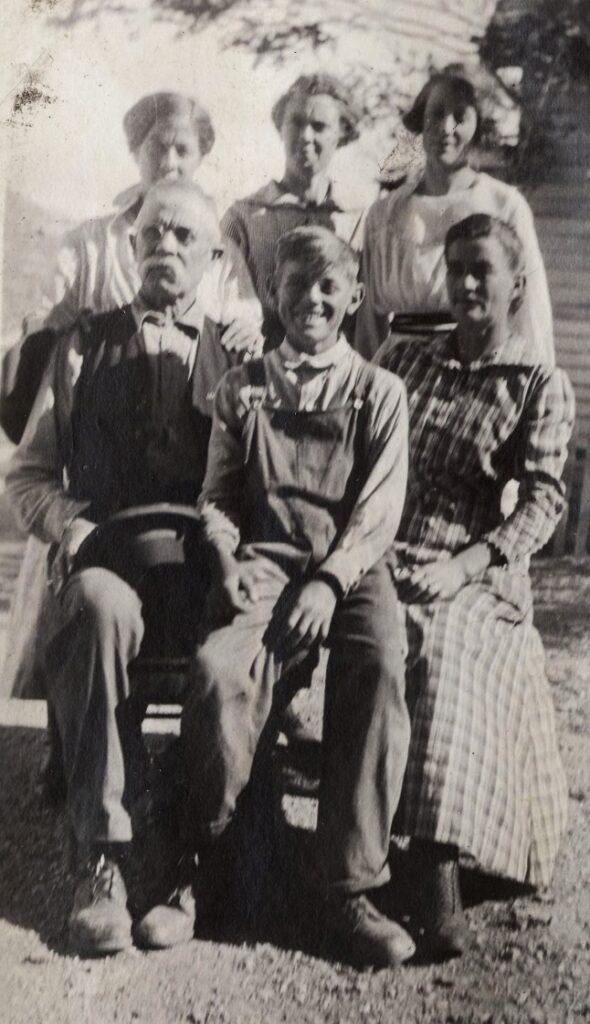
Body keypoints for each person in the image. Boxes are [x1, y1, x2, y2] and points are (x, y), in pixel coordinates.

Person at [5, 180, 251, 956]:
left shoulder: (237, 360)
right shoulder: (81, 347)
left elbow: (264, 485)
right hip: (108, 563)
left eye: (184, 236)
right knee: (101, 608)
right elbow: (28, 474)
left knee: (226, 663)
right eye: (151, 234)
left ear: (213, 256)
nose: (165, 248)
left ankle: (193, 863)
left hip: (203, 575)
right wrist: (71, 529)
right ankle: (101, 858)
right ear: (130, 245)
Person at [180, 225, 414, 969]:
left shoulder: (379, 390)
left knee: (377, 663)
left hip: (352, 569)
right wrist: (223, 559)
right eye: (293, 285)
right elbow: (216, 495)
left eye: (326, 286)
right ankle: (203, 858)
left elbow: (379, 511)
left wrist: (330, 579)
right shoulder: (241, 389)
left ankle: (347, 883)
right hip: (267, 563)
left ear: (352, 298)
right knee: (221, 672)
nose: (309, 300)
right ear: (272, 295)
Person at [2, 90, 263, 706]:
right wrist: (92, 346)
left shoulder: (215, 233)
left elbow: (239, 317)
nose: (170, 161)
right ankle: (72, 725)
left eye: (184, 150)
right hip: (108, 412)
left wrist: (243, 335)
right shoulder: (96, 237)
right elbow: (47, 316)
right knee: (84, 585)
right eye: (157, 147)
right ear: (135, 150)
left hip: (195, 419)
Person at [375, 213, 574, 958]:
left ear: (516, 285)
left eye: (481, 269)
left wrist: (465, 566)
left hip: (479, 565)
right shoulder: (404, 362)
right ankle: (345, 851)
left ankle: (433, 870)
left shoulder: (536, 385)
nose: (464, 283)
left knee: (445, 642)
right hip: (388, 549)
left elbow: (544, 501)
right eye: (455, 267)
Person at [356, 66, 554, 365]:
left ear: (480, 126)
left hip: (473, 368)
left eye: (460, 117)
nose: (445, 128)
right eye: (435, 114)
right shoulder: (384, 214)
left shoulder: (504, 205)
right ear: (421, 120)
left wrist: (536, 381)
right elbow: (368, 324)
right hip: (395, 371)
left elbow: (530, 312)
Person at [222, 74, 366, 349]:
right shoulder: (242, 217)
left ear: (342, 133)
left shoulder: (358, 219)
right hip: (263, 360)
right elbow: (223, 296)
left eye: (319, 126)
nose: (305, 136)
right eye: (296, 123)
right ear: (280, 129)